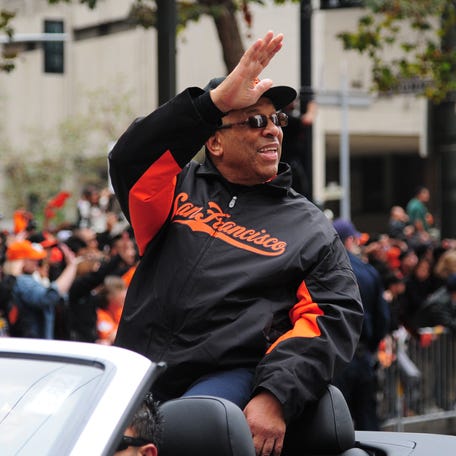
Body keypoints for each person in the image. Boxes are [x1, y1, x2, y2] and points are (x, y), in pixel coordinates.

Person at [109, 31, 363, 456]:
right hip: (139, 368)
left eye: (276, 120)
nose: (273, 132)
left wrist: (275, 396)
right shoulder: (175, 187)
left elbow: (332, 319)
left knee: (192, 427)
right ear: (215, 140)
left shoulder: (310, 228)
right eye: (254, 120)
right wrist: (213, 104)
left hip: (226, 381)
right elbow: (130, 158)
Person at [332, 219, 390, 431]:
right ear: (348, 240)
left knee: (334, 426)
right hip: (360, 355)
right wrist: (370, 348)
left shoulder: (319, 268)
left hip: (332, 358)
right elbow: (383, 318)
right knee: (368, 422)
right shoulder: (367, 271)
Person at [6, 239, 78, 339]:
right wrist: (72, 266)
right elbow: (48, 297)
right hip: (31, 347)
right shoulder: (22, 281)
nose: (37, 262)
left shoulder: (18, 281)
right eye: (32, 259)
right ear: (21, 261)